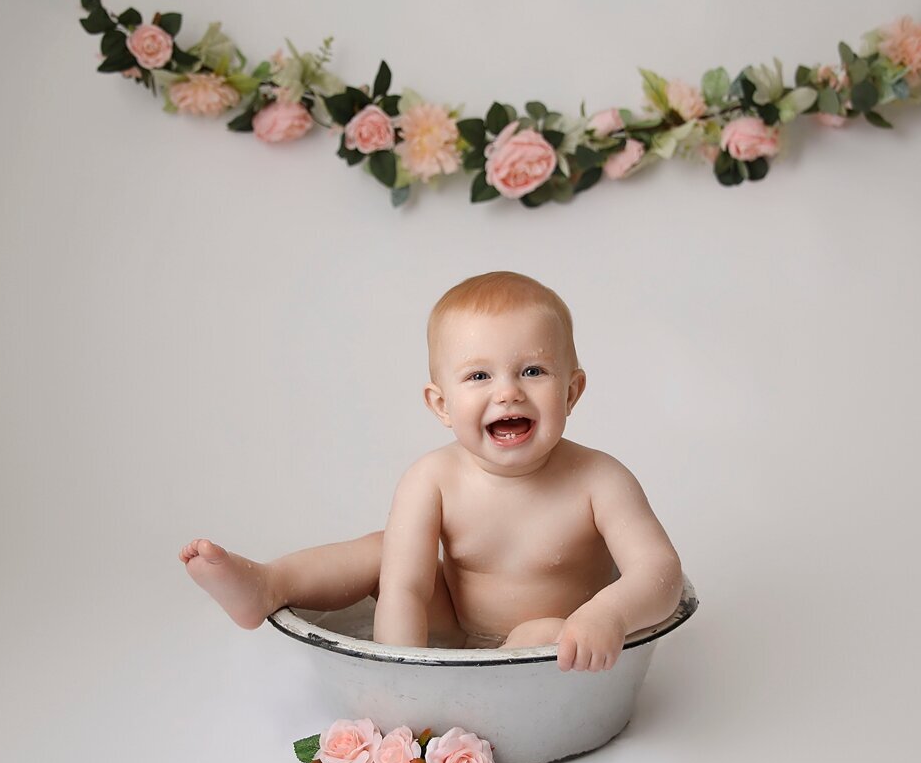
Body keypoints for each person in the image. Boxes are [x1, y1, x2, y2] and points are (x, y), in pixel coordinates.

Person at [180, 271, 683, 672]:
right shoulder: (432, 478)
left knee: (544, 632)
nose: (507, 392)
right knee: (384, 553)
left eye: (533, 371)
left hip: (554, 641)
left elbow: (660, 573)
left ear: (571, 392)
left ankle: (532, 665)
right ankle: (271, 583)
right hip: (455, 629)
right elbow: (406, 588)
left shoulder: (600, 480)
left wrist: (606, 616)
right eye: (479, 375)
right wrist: (403, 674)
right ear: (442, 404)